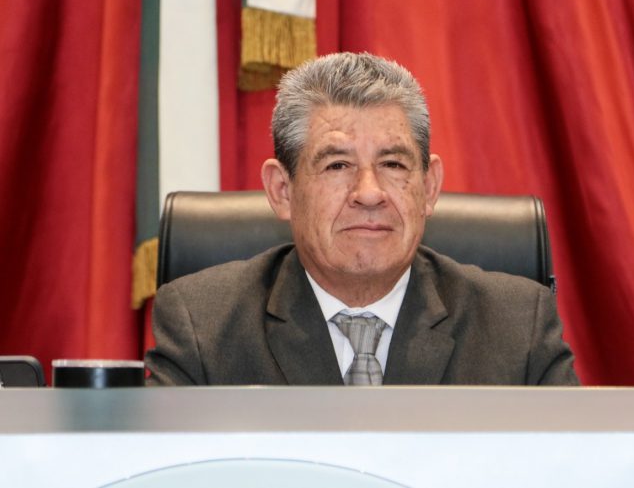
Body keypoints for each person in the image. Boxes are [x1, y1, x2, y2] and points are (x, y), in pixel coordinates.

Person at [145, 52, 578, 386]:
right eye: (337, 165)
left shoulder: (518, 325)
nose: (369, 193)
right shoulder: (202, 325)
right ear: (282, 191)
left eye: (392, 164)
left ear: (428, 187)